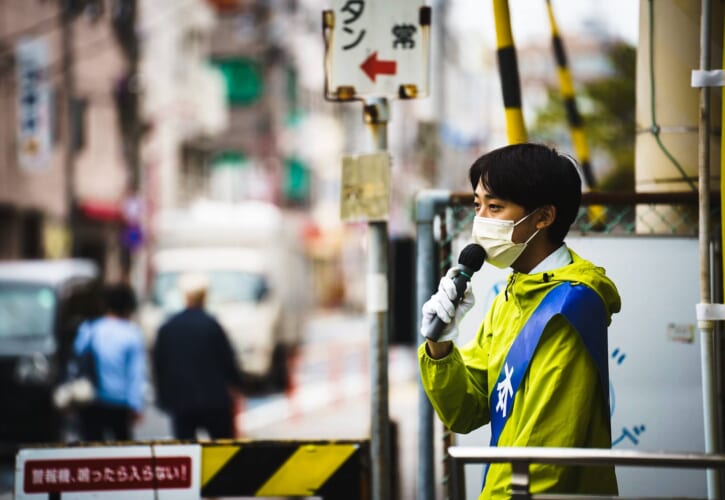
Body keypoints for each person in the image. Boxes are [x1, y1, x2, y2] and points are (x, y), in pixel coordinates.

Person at [419, 143, 621, 498]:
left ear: (543, 217)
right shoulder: (509, 297)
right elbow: (465, 412)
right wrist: (440, 344)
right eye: (477, 206)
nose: (481, 221)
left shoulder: (570, 307)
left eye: (495, 207)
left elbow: (545, 458)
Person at [152, 272, 246, 439]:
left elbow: (160, 365)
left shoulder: (168, 327)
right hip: (215, 401)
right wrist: (238, 387)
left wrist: (163, 397)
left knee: (186, 451)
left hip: (181, 401)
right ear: (205, 296)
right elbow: (228, 362)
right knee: (221, 450)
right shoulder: (213, 325)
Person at [74, 282, 147, 441]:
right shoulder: (132, 333)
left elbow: (77, 358)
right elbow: (136, 373)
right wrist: (136, 405)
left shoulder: (89, 329)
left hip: (91, 399)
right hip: (120, 403)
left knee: (92, 451)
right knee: (122, 453)